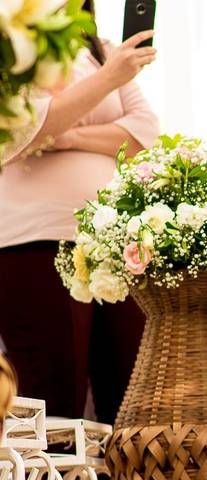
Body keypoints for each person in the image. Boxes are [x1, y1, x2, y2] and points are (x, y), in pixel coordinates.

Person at [0, 0, 159, 426]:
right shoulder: (12, 46)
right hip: (35, 242)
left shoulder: (104, 49)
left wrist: (69, 137)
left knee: (129, 405)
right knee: (55, 404)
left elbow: (144, 133)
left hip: (111, 248)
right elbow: (24, 127)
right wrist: (110, 81)